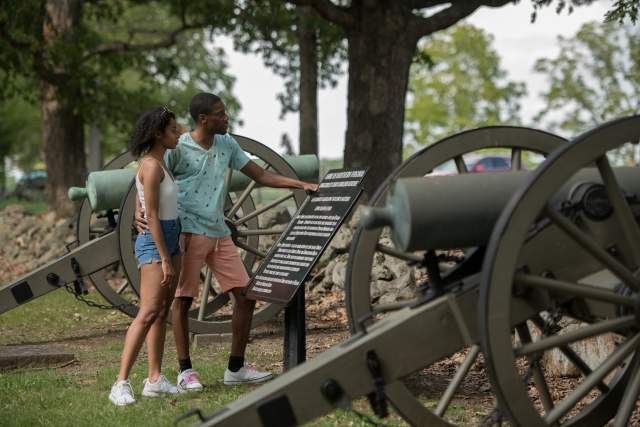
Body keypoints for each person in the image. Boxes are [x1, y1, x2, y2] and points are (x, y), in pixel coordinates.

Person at [136, 92, 318, 391]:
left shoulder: (227, 143)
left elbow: (260, 175)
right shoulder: (178, 147)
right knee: (182, 301)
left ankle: (236, 367)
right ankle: (186, 371)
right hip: (188, 232)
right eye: (221, 114)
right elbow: (148, 174)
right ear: (204, 119)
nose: (227, 117)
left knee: (246, 297)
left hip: (220, 232)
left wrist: (301, 184)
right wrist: (137, 208)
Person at [109, 107, 182, 406]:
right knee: (148, 312)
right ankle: (120, 383)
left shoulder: (162, 163)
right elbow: (150, 214)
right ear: (157, 134)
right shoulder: (151, 166)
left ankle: (154, 379)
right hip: (156, 244)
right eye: (173, 130)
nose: (178, 134)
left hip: (171, 238)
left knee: (162, 313)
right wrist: (165, 257)